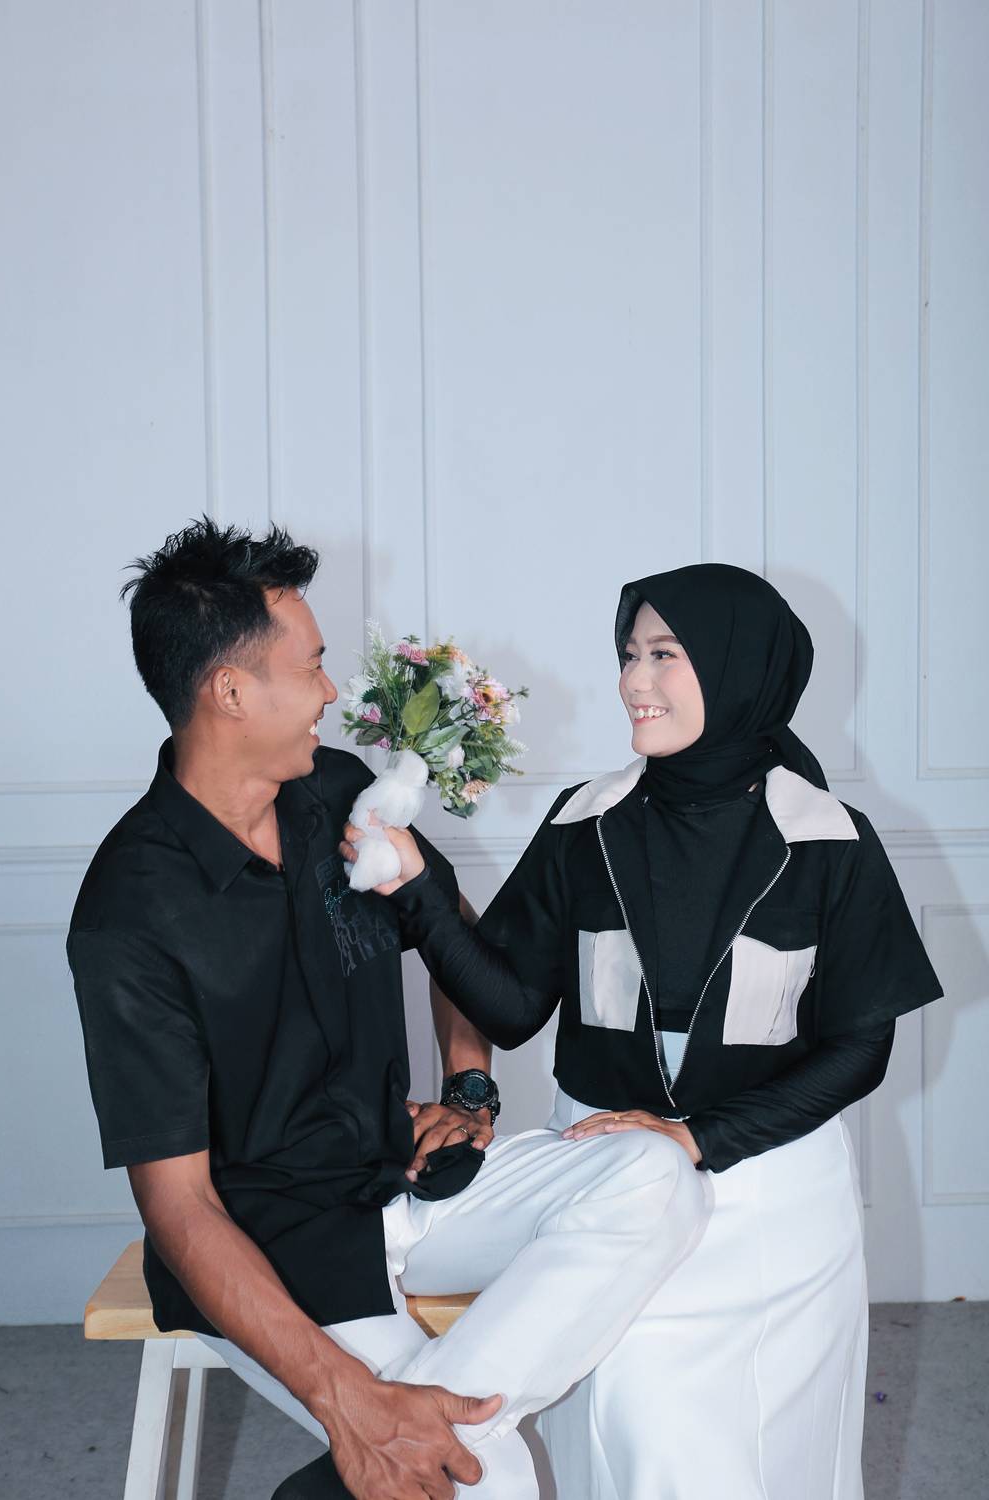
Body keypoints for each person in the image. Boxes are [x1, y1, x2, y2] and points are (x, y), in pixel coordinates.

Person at [67, 520, 709, 1500]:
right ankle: (391, 1443)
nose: (331, 692)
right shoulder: (130, 914)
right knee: (481, 1477)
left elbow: (449, 932)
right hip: (279, 1243)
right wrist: (345, 1397)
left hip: (406, 1174)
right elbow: (180, 1207)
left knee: (654, 1173)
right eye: (311, 667)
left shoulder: (337, 792)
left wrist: (469, 1087)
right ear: (231, 692)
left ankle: (369, 1456)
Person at [356, 563, 943, 1499]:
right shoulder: (584, 824)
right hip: (611, 1194)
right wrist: (419, 892)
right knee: (636, 1434)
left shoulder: (833, 841)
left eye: (666, 655)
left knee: (755, 1463)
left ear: (738, 667)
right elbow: (510, 1007)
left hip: (770, 1207)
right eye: (629, 653)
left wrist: (697, 1137)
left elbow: (860, 1050)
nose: (634, 680)